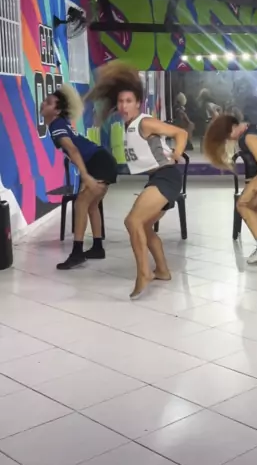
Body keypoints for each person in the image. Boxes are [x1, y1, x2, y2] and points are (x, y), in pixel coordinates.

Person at [87, 63, 188, 299]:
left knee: (132, 221)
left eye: (129, 101)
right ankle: (162, 270)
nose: (124, 106)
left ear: (138, 103)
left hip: (166, 176)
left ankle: (144, 273)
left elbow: (180, 133)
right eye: (121, 101)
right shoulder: (128, 125)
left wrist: (177, 152)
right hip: (157, 177)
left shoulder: (144, 122)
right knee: (143, 226)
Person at [41, 85, 117, 270]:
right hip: (101, 160)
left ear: (57, 111)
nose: (43, 103)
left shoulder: (57, 125)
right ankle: (97, 248)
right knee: (91, 205)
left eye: (49, 102)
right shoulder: (61, 122)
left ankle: (77, 253)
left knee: (81, 203)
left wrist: (85, 176)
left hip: (98, 162)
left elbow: (73, 150)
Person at [203, 114, 257, 264]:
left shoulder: (248, 137)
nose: (229, 139)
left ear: (233, 127)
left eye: (228, 135)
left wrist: (254, 188)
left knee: (243, 205)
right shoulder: (250, 128)